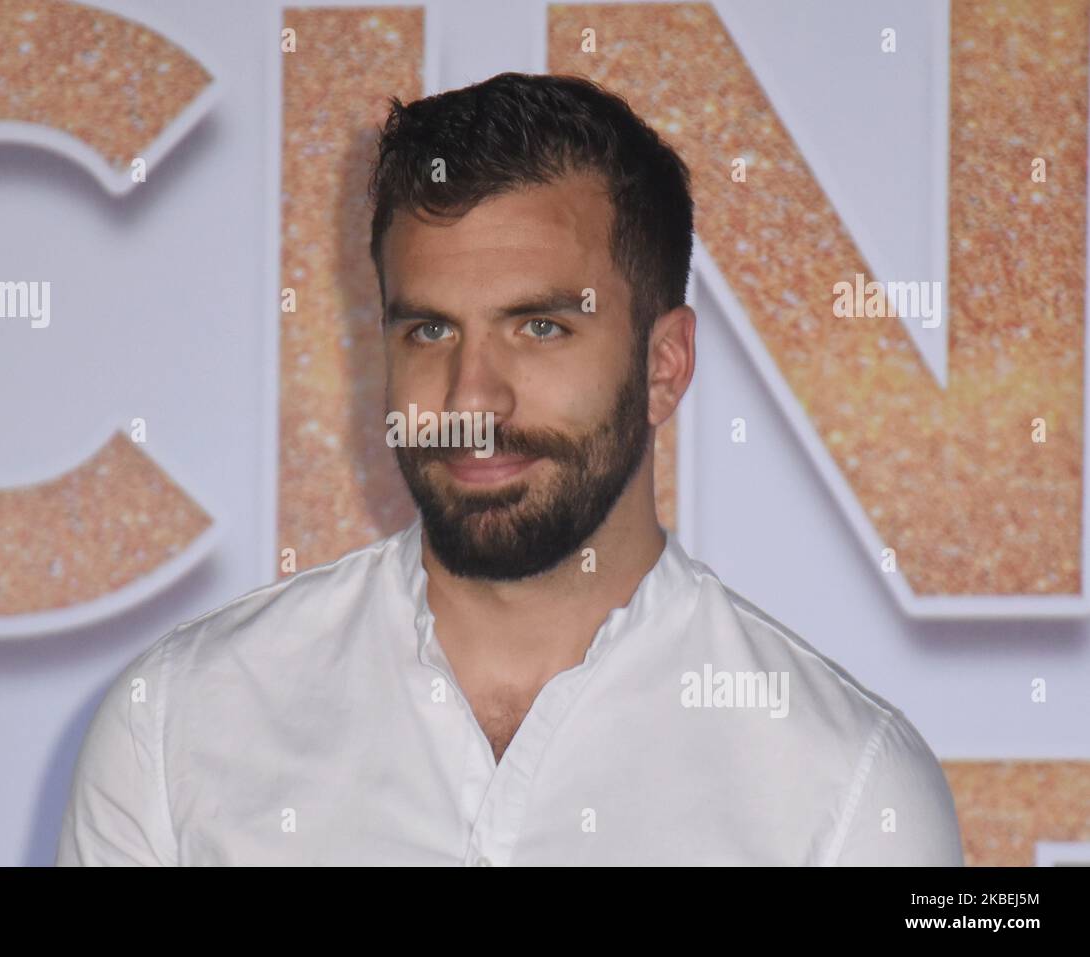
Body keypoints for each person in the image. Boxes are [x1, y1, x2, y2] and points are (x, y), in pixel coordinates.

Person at [57, 72, 963, 866]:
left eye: (540, 327)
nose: (471, 399)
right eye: (430, 329)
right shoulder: (176, 723)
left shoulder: (848, 785)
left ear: (664, 365)